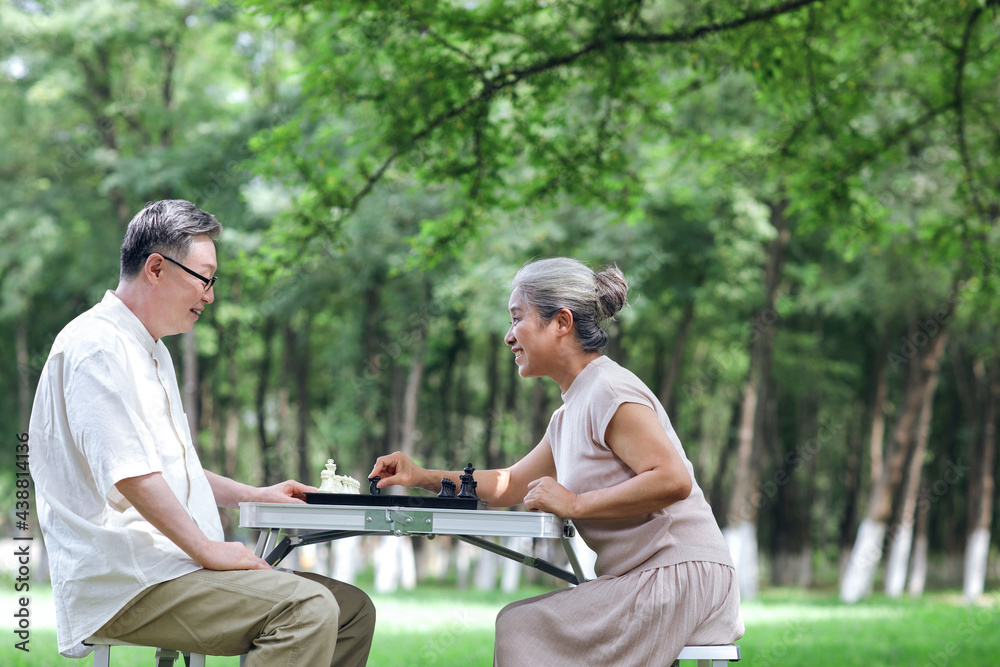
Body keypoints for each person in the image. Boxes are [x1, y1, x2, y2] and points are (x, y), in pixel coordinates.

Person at [30, 200, 375, 665]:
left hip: (169, 565)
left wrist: (254, 494)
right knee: (307, 610)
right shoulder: (96, 346)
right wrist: (208, 549)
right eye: (204, 277)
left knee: (352, 611)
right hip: (128, 576)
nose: (210, 295)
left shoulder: (149, 348)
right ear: (156, 267)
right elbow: (131, 475)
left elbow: (170, 468)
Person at [370, 257, 743, 665]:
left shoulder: (609, 389)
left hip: (681, 576)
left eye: (517, 318)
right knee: (518, 620)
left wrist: (576, 504)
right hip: (649, 577)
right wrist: (422, 475)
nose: (509, 336)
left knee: (521, 626)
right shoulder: (570, 413)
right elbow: (510, 484)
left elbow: (672, 480)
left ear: (561, 322)